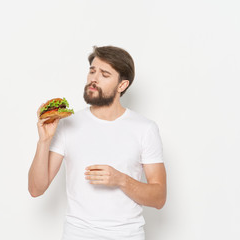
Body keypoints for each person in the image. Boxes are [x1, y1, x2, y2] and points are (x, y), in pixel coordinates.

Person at [28, 46, 167, 240]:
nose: (94, 78)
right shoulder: (68, 124)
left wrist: (120, 179)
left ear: (122, 85)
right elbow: (36, 189)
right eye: (92, 71)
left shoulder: (145, 128)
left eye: (105, 74)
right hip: (77, 234)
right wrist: (43, 142)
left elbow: (159, 197)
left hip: (126, 235)